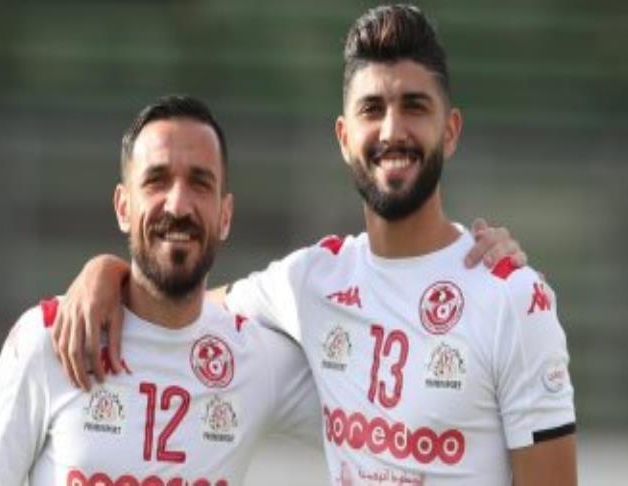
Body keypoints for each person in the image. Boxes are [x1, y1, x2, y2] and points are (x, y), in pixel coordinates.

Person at [54, 5, 576, 485]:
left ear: (451, 131)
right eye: (372, 109)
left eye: (414, 107)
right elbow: (181, 308)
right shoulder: (311, 280)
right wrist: (106, 273)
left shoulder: (512, 299)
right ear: (344, 137)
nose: (392, 130)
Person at [0, 95, 322, 486]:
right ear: (123, 207)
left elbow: (367, 417)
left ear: (225, 215)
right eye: (157, 181)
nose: (178, 205)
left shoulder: (258, 359)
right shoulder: (50, 337)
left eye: (200, 183)